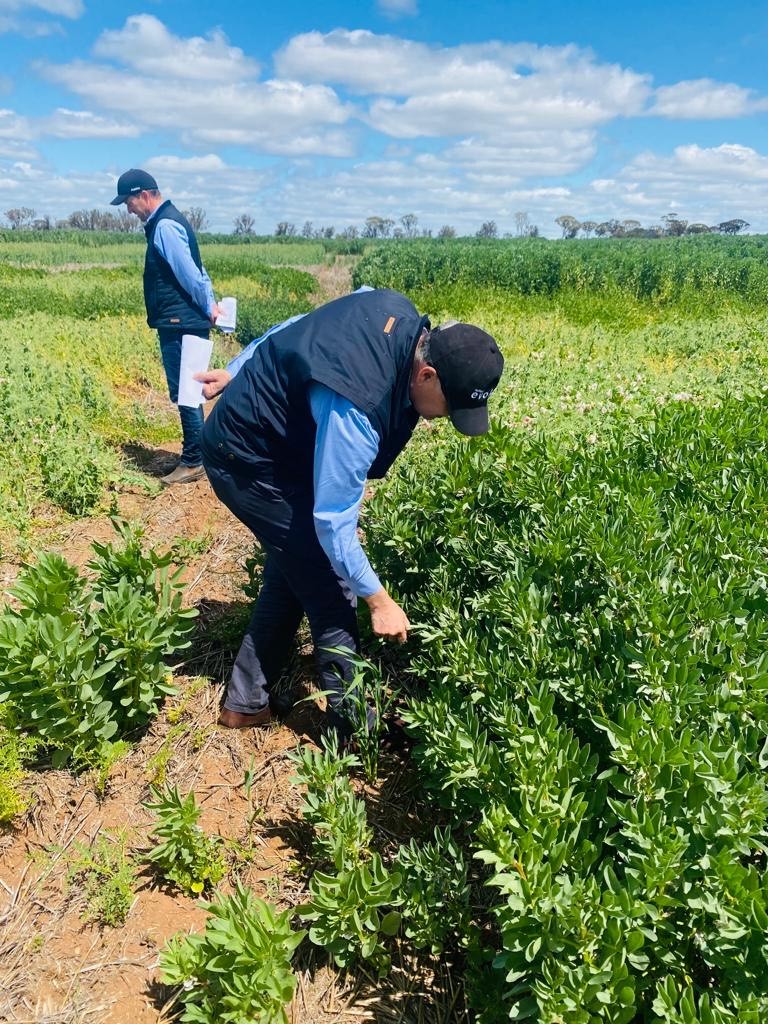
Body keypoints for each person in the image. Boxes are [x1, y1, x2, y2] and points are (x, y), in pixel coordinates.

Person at [196, 287, 504, 738]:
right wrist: (378, 601)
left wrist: (238, 367)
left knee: (294, 565)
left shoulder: (393, 310)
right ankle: (354, 728)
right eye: (450, 407)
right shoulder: (357, 404)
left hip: (280, 448)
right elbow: (333, 523)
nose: (443, 420)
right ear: (427, 375)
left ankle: (246, 702)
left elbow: (299, 323)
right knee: (328, 583)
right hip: (246, 455)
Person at [110, 168, 220, 485]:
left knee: (186, 391)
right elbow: (198, 270)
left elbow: (190, 274)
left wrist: (207, 306)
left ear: (144, 195)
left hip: (180, 321)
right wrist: (207, 304)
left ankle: (194, 460)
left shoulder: (165, 226)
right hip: (183, 319)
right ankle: (200, 456)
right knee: (191, 390)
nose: (128, 209)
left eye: (129, 201)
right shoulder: (166, 222)